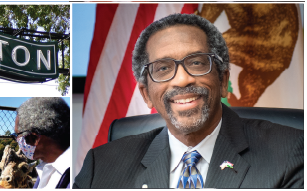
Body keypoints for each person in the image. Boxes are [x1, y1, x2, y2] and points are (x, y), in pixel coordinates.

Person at [75, 14, 304, 188]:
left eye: (196, 63)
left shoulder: (293, 152)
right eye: (163, 68)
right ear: (146, 94)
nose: (182, 79)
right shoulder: (101, 166)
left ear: (223, 80)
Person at [0, 98, 72, 189]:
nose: (17, 141)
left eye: (17, 136)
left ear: (34, 138)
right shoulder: (47, 167)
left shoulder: (75, 179)